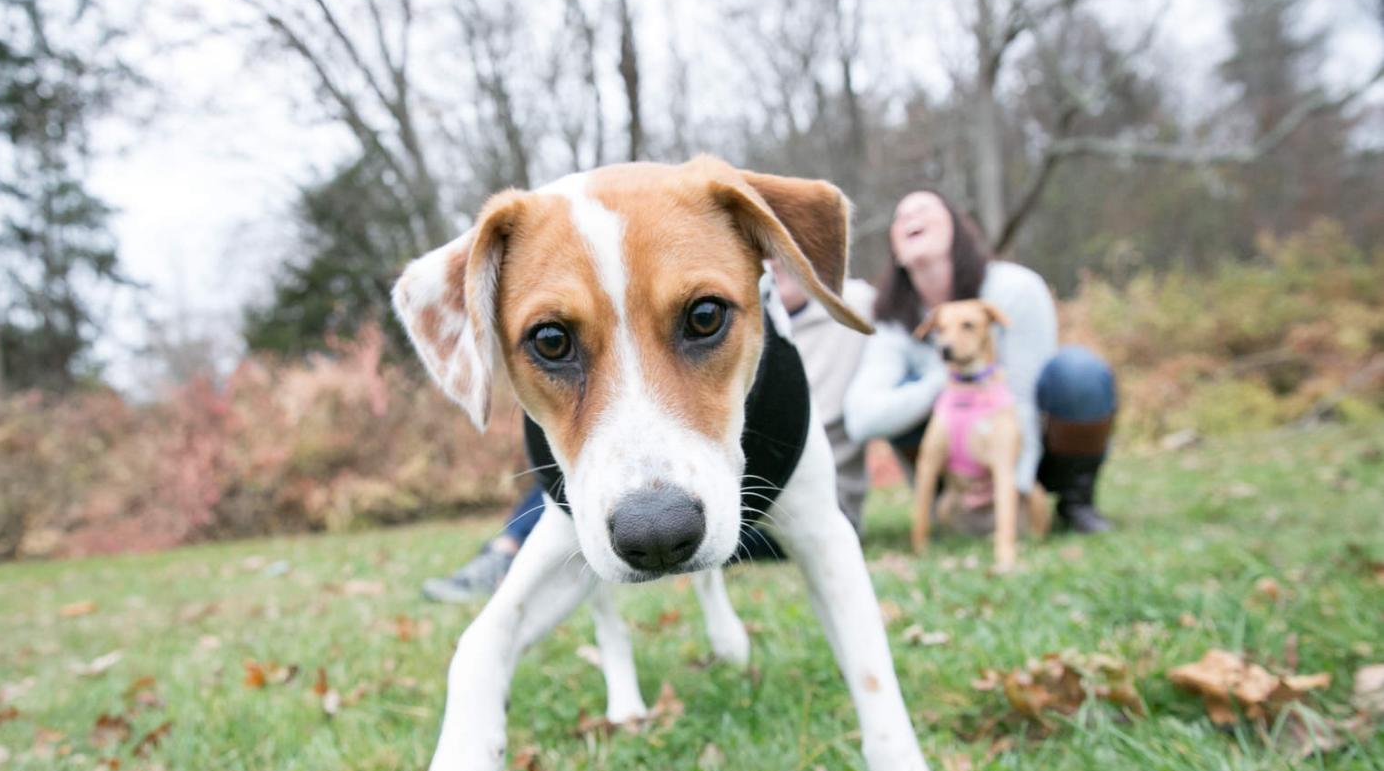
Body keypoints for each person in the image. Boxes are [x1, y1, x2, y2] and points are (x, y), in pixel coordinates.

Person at [422, 261, 877, 601]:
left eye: (704, 319)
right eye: (553, 342)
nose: (778, 268)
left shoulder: (838, 317)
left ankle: (506, 548)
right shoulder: (657, 305)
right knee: (571, 488)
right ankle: (507, 546)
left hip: (778, 492)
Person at [842, 190, 1115, 533]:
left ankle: (1074, 502)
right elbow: (862, 418)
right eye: (900, 217)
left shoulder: (1014, 289)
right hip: (954, 461)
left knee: (1078, 372)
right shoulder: (894, 321)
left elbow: (1023, 398)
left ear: (956, 229)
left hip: (1024, 447)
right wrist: (951, 376)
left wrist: (1015, 479)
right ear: (895, 250)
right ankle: (947, 504)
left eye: (924, 209)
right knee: (906, 392)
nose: (910, 217)